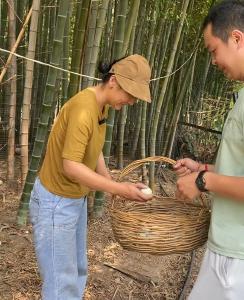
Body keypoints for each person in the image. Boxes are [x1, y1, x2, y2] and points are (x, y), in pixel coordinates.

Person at [29, 54, 153, 300]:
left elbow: (92, 151)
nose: (131, 101)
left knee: (76, 270)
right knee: (59, 283)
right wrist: (119, 190)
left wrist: (113, 185)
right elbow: (71, 166)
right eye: (130, 94)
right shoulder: (83, 109)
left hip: (74, 199)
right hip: (56, 203)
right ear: (114, 81)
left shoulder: (101, 106)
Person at [174, 1, 244, 299]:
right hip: (228, 248)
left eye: (214, 50)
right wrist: (202, 169)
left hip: (236, 258)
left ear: (237, 39)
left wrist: (204, 183)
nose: (213, 61)